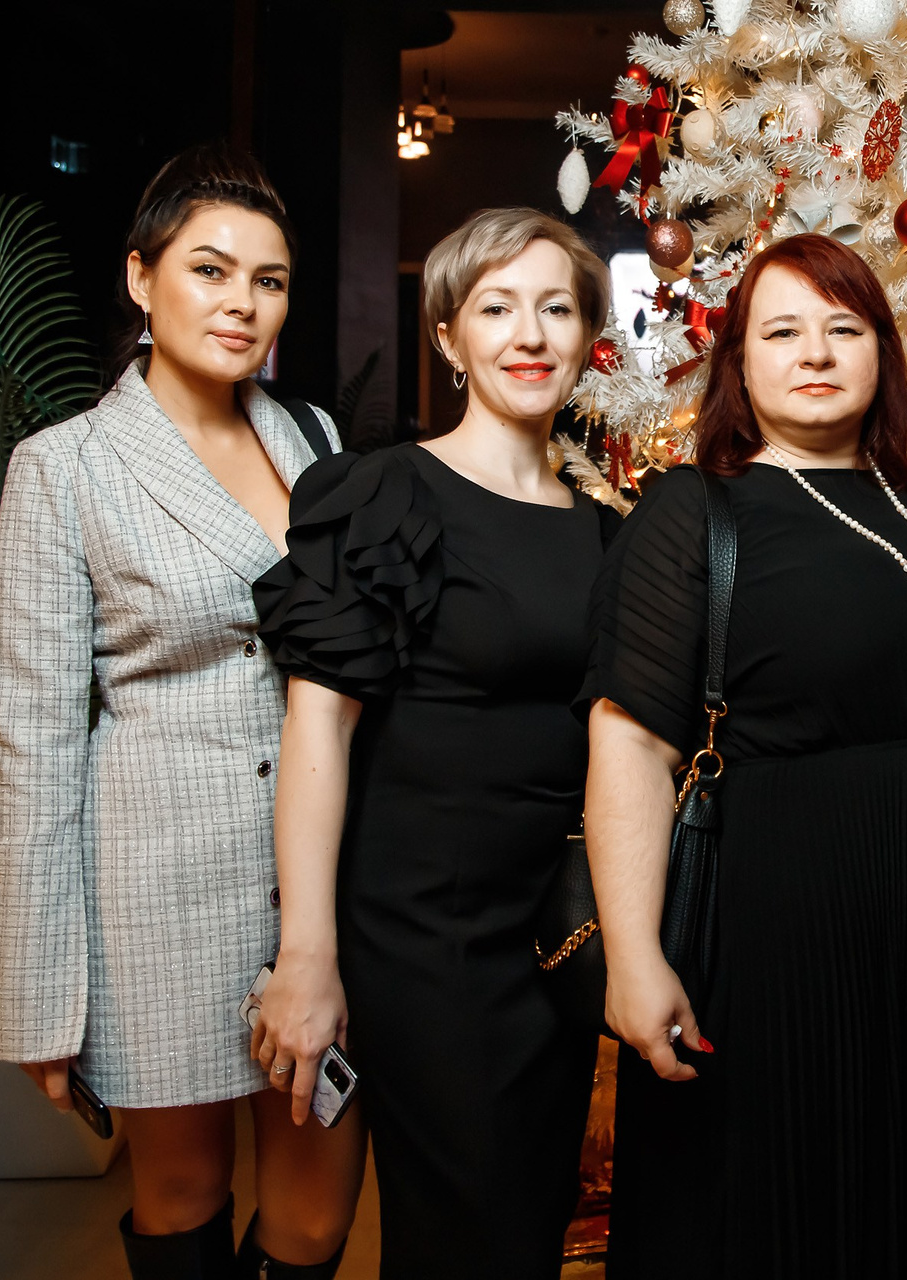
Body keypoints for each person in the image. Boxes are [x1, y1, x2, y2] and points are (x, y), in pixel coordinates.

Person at [580, 233, 907, 1277]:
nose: (815, 352)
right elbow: (631, 742)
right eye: (781, 331)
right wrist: (635, 957)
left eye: (843, 328)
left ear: (883, 354)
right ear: (739, 361)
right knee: (794, 1209)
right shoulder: (697, 509)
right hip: (788, 937)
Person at [0, 145, 365, 1278]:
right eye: (210, 268)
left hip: (317, 889)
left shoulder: (316, 440)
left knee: (317, 1213)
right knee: (184, 1196)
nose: (242, 301)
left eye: (268, 279)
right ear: (141, 279)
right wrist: (40, 998)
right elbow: (32, 741)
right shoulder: (65, 467)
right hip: (155, 892)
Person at [251, 207, 615, 1276]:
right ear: (450, 338)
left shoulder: (609, 531)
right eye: (496, 309)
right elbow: (319, 728)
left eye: (556, 309)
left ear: (589, 336)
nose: (530, 334)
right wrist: (306, 954)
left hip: (554, 937)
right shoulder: (388, 496)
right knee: (468, 1232)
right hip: (422, 937)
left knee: (529, 1223)